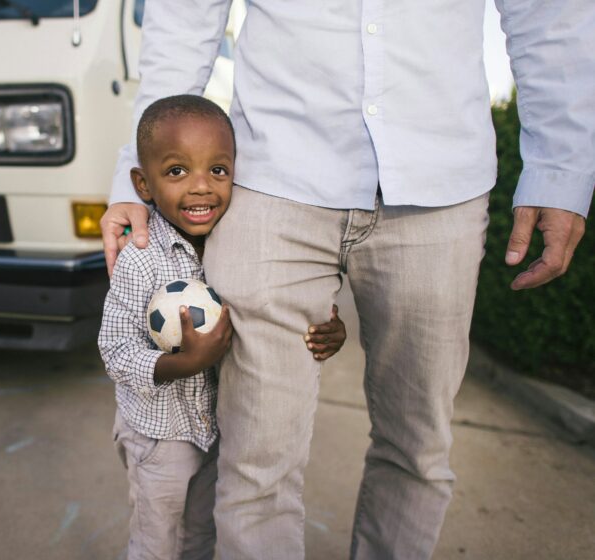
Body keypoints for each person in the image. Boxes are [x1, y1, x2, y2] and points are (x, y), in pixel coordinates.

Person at [100, 1, 594, 559]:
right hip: (275, 177)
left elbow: (551, 12)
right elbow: (185, 13)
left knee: (418, 449)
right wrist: (132, 176)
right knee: (256, 456)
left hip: (441, 183)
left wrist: (562, 171)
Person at [98, 95, 347, 559]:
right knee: (156, 543)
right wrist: (183, 363)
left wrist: (334, 330)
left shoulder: (237, 245)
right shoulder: (139, 257)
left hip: (215, 431)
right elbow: (114, 349)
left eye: (218, 171)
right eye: (176, 172)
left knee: (201, 536)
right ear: (143, 184)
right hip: (160, 436)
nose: (200, 188)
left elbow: (272, 308)